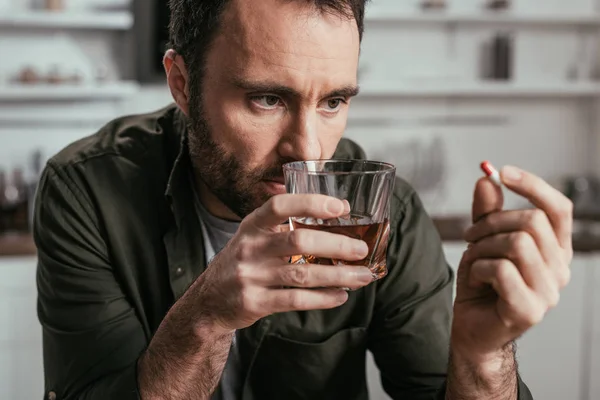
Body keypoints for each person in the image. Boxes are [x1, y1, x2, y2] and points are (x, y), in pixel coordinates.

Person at [34, 0, 573, 399]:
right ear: (181, 82)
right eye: (267, 99)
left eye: (334, 101)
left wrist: (481, 354)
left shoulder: (388, 216)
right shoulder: (87, 191)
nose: (309, 152)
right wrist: (205, 317)